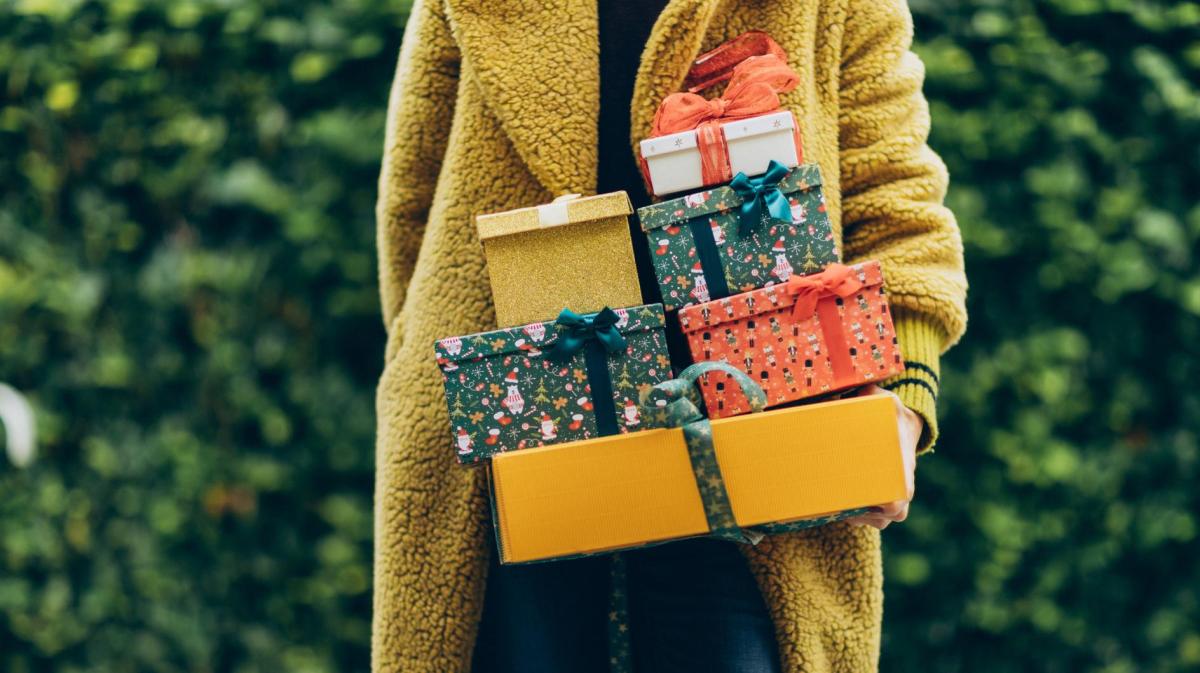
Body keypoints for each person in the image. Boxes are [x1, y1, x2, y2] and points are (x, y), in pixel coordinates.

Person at [372, 0, 967, 671]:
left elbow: (898, 206)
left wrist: (904, 401)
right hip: (514, 460)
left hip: (765, 466)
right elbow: (414, 216)